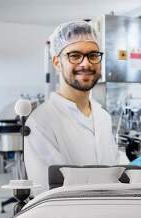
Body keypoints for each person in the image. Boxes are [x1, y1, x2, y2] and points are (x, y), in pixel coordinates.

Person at [24, 21, 119, 192]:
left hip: (110, 213)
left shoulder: (103, 116)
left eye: (93, 55)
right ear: (57, 63)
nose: (86, 64)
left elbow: (114, 167)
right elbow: (48, 192)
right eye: (74, 55)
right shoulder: (40, 122)